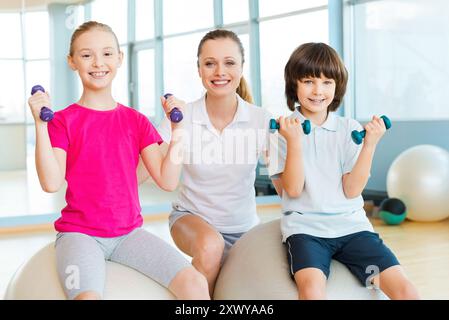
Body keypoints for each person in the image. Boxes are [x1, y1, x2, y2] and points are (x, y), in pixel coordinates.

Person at [27, 21, 209, 300]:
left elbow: (167, 179)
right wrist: (40, 125)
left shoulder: (135, 121)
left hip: (129, 235)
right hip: (80, 236)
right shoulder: (62, 121)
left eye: (108, 53)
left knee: (195, 284)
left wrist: (178, 131)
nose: (98, 62)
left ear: (120, 58)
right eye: (87, 55)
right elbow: (51, 183)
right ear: (72, 61)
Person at [268, 42, 419, 300]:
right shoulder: (280, 132)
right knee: (312, 291)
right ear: (294, 84)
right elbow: (291, 190)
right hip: (307, 231)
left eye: (327, 82)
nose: (318, 91)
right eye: (308, 81)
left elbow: (352, 190)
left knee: (405, 290)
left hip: (353, 229)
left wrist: (369, 145)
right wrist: (294, 142)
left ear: (337, 86)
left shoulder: (348, 128)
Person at [150, 29, 276, 295]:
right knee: (210, 247)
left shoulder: (261, 119)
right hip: (191, 220)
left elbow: (287, 183)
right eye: (210, 63)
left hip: (245, 229)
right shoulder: (182, 115)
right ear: (199, 69)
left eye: (229, 63)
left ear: (242, 67)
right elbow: (152, 170)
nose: (220, 71)